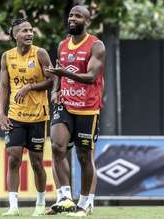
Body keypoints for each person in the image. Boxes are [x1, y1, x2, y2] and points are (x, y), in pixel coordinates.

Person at [46, 5, 105, 217]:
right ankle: (64, 198)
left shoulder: (96, 46)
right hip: (66, 104)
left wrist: (64, 73)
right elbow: (58, 74)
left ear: (87, 21)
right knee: (57, 146)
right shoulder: (63, 44)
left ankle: (86, 202)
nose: (72, 18)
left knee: (83, 156)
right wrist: (55, 90)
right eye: (71, 15)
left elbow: (91, 77)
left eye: (78, 16)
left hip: (88, 108)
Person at [0, 17, 53, 216]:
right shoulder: (7, 57)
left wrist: (29, 86)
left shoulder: (41, 54)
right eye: (24, 31)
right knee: (13, 159)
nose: (29, 33)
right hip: (15, 116)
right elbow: (4, 86)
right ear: (14, 35)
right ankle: (13, 207)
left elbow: (52, 82)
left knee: (37, 162)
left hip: (38, 116)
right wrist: (0, 112)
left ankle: (39, 203)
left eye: (31, 30)